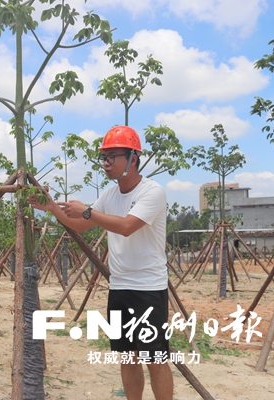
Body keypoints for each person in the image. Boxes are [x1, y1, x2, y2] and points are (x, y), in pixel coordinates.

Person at [29, 126, 173, 400]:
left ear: (133, 158)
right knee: (127, 357)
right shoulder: (109, 195)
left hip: (148, 288)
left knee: (154, 357)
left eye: (112, 157)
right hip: (119, 287)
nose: (106, 164)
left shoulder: (152, 192)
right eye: (103, 158)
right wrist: (52, 207)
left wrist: (88, 211)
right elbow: (80, 225)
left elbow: (128, 226)